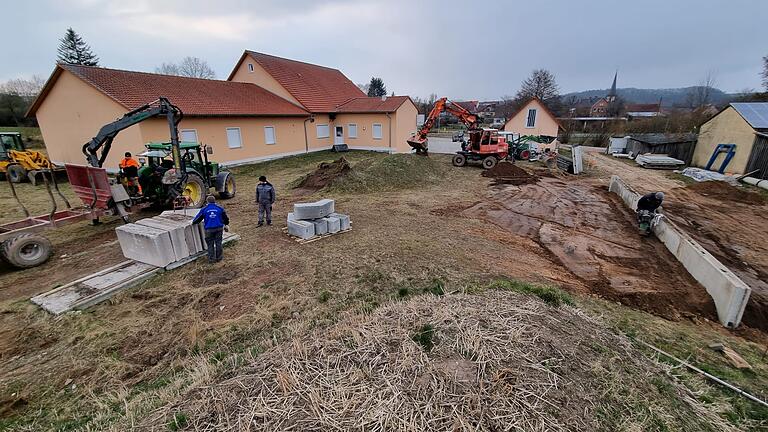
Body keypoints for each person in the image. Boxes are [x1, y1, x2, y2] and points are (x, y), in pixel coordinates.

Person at [193, 195, 230, 263]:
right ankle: (219, 258)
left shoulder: (204, 209)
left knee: (210, 244)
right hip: (219, 228)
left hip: (209, 229)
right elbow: (225, 218)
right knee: (218, 243)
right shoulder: (220, 208)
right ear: (214, 201)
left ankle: (211, 259)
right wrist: (226, 224)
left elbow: (197, 219)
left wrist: (194, 222)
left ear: (207, 202)